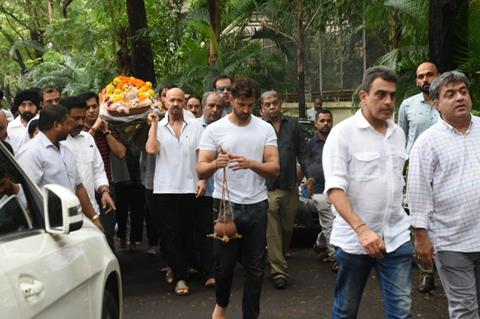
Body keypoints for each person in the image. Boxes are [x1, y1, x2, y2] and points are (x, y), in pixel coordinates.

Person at [323, 66, 412, 318]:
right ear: (363, 96)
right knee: (346, 310)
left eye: (392, 95)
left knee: (402, 312)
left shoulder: (398, 134)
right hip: (355, 242)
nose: (388, 101)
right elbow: (335, 189)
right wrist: (362, 230)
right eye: (380, 94)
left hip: (396, 236)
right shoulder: (342, 134)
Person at [197, 78, 280, 319]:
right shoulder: (215, 129)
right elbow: (201, 169)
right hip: (225, 207)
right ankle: (221, 304)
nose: (245, 110)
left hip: (256, 205)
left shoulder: (264, 128)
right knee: (224, 267)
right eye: (241, 104)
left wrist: (251, 163)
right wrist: (215, 163)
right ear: (231, 99)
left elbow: (274, 168)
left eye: (250, 105)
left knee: (255, 269)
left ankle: (250, 316)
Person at [407, 71, 480, 319]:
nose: (459, 97)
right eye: (450, 94)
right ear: (436, 103)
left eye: (463, 91)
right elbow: (418, 192)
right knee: (465, 309)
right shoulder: (427, 143)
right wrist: (421, 236)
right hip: (451, 241)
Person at [146, 87, 205, 296]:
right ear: (165, 102)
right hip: (165, 188)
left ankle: (186, 268)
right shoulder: (158, 126)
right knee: (170, 234)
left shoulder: (196, 125)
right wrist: (154, 124)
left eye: (180, 100)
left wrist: (203, 180)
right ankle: (180, 277)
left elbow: (201, 155)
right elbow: (152, 150)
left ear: (184, 101)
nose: (176, 104)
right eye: (172, 100)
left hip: (190, 186)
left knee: (188, 232)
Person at [16, 104, 103, 231]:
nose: (71, 127)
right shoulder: (31, 153)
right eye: (67, 123)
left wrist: (94, 218)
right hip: (50, 228)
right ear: (56, 125)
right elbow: (25, 196)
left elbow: (79, 187)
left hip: (74, 222)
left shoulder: (66, 151)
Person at [260, 90, 309, 289]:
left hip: (290, 185)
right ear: (262, 108)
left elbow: (303, 153)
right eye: (267, 104)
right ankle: (279, 271)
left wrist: (308, 176)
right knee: (273, 228)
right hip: (267, 187)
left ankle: (276, 255)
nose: (272, 107)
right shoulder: (258, 128)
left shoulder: (293, 125)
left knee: (287, 228)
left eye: (275, 103)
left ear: (281, 104)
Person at [398, 61, 440, 294]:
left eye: (429, 75)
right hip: (416, 168)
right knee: (419, 218)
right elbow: (401, 138)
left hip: (445, 168)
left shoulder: (448, 101)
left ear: (438, 76)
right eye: (421, 76)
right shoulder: (408, 105)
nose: (425, 79)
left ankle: (448, 266)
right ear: (416, 81)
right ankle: (427, 272)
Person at [61, 96, 116, 251]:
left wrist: (104, 192)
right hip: (68, 217)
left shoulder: (87, 139)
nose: (80, 122)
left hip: (93, 210)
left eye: (82, 118)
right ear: (64, 117)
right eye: (76, 118)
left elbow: (98, 170)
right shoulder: (57, 143)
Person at [194, 91, 225, 288]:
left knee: (224, 231)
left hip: (224, 190)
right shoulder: (194, 127)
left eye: (219, 107)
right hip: (200, 188)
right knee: (204, 232)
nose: (214, 110)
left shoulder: (227, 128)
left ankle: (223, 268)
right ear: (203, 106)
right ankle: (209, 271)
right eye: (211, 106)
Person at [305, 109, 336, 268]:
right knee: (329, 222)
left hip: (338, 189)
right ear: (316, 124)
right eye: (322, 121)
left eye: (328, 120)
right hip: (319, 190)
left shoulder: (338, 140)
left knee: (334, 222)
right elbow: (304, 166)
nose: (325, 124)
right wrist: (307, 183)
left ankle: (320, 244)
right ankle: (335, 257)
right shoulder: (310, 145)